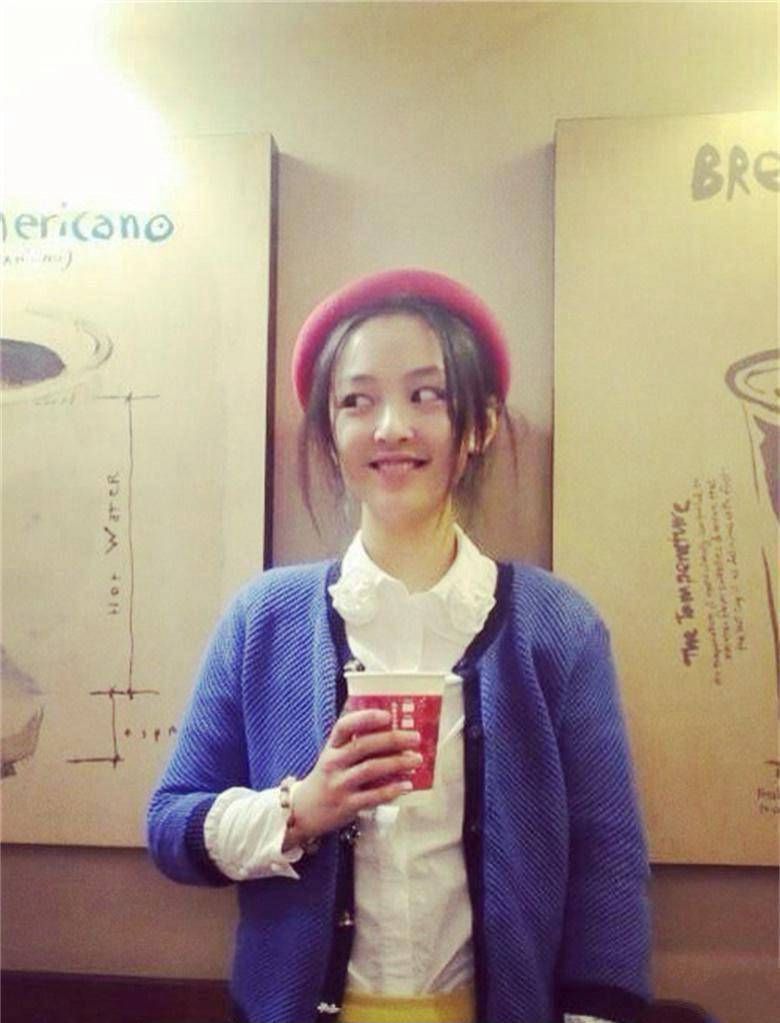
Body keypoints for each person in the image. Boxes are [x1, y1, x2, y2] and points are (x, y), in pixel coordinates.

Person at [147, 268, 651, 1023]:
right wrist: (300, 809)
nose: (390, 427)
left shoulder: (559, 627)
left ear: (479, 424)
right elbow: (169, 827)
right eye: (357, 401)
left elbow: (607, 859)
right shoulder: (263, 618)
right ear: (330, 431)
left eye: (426, 395)